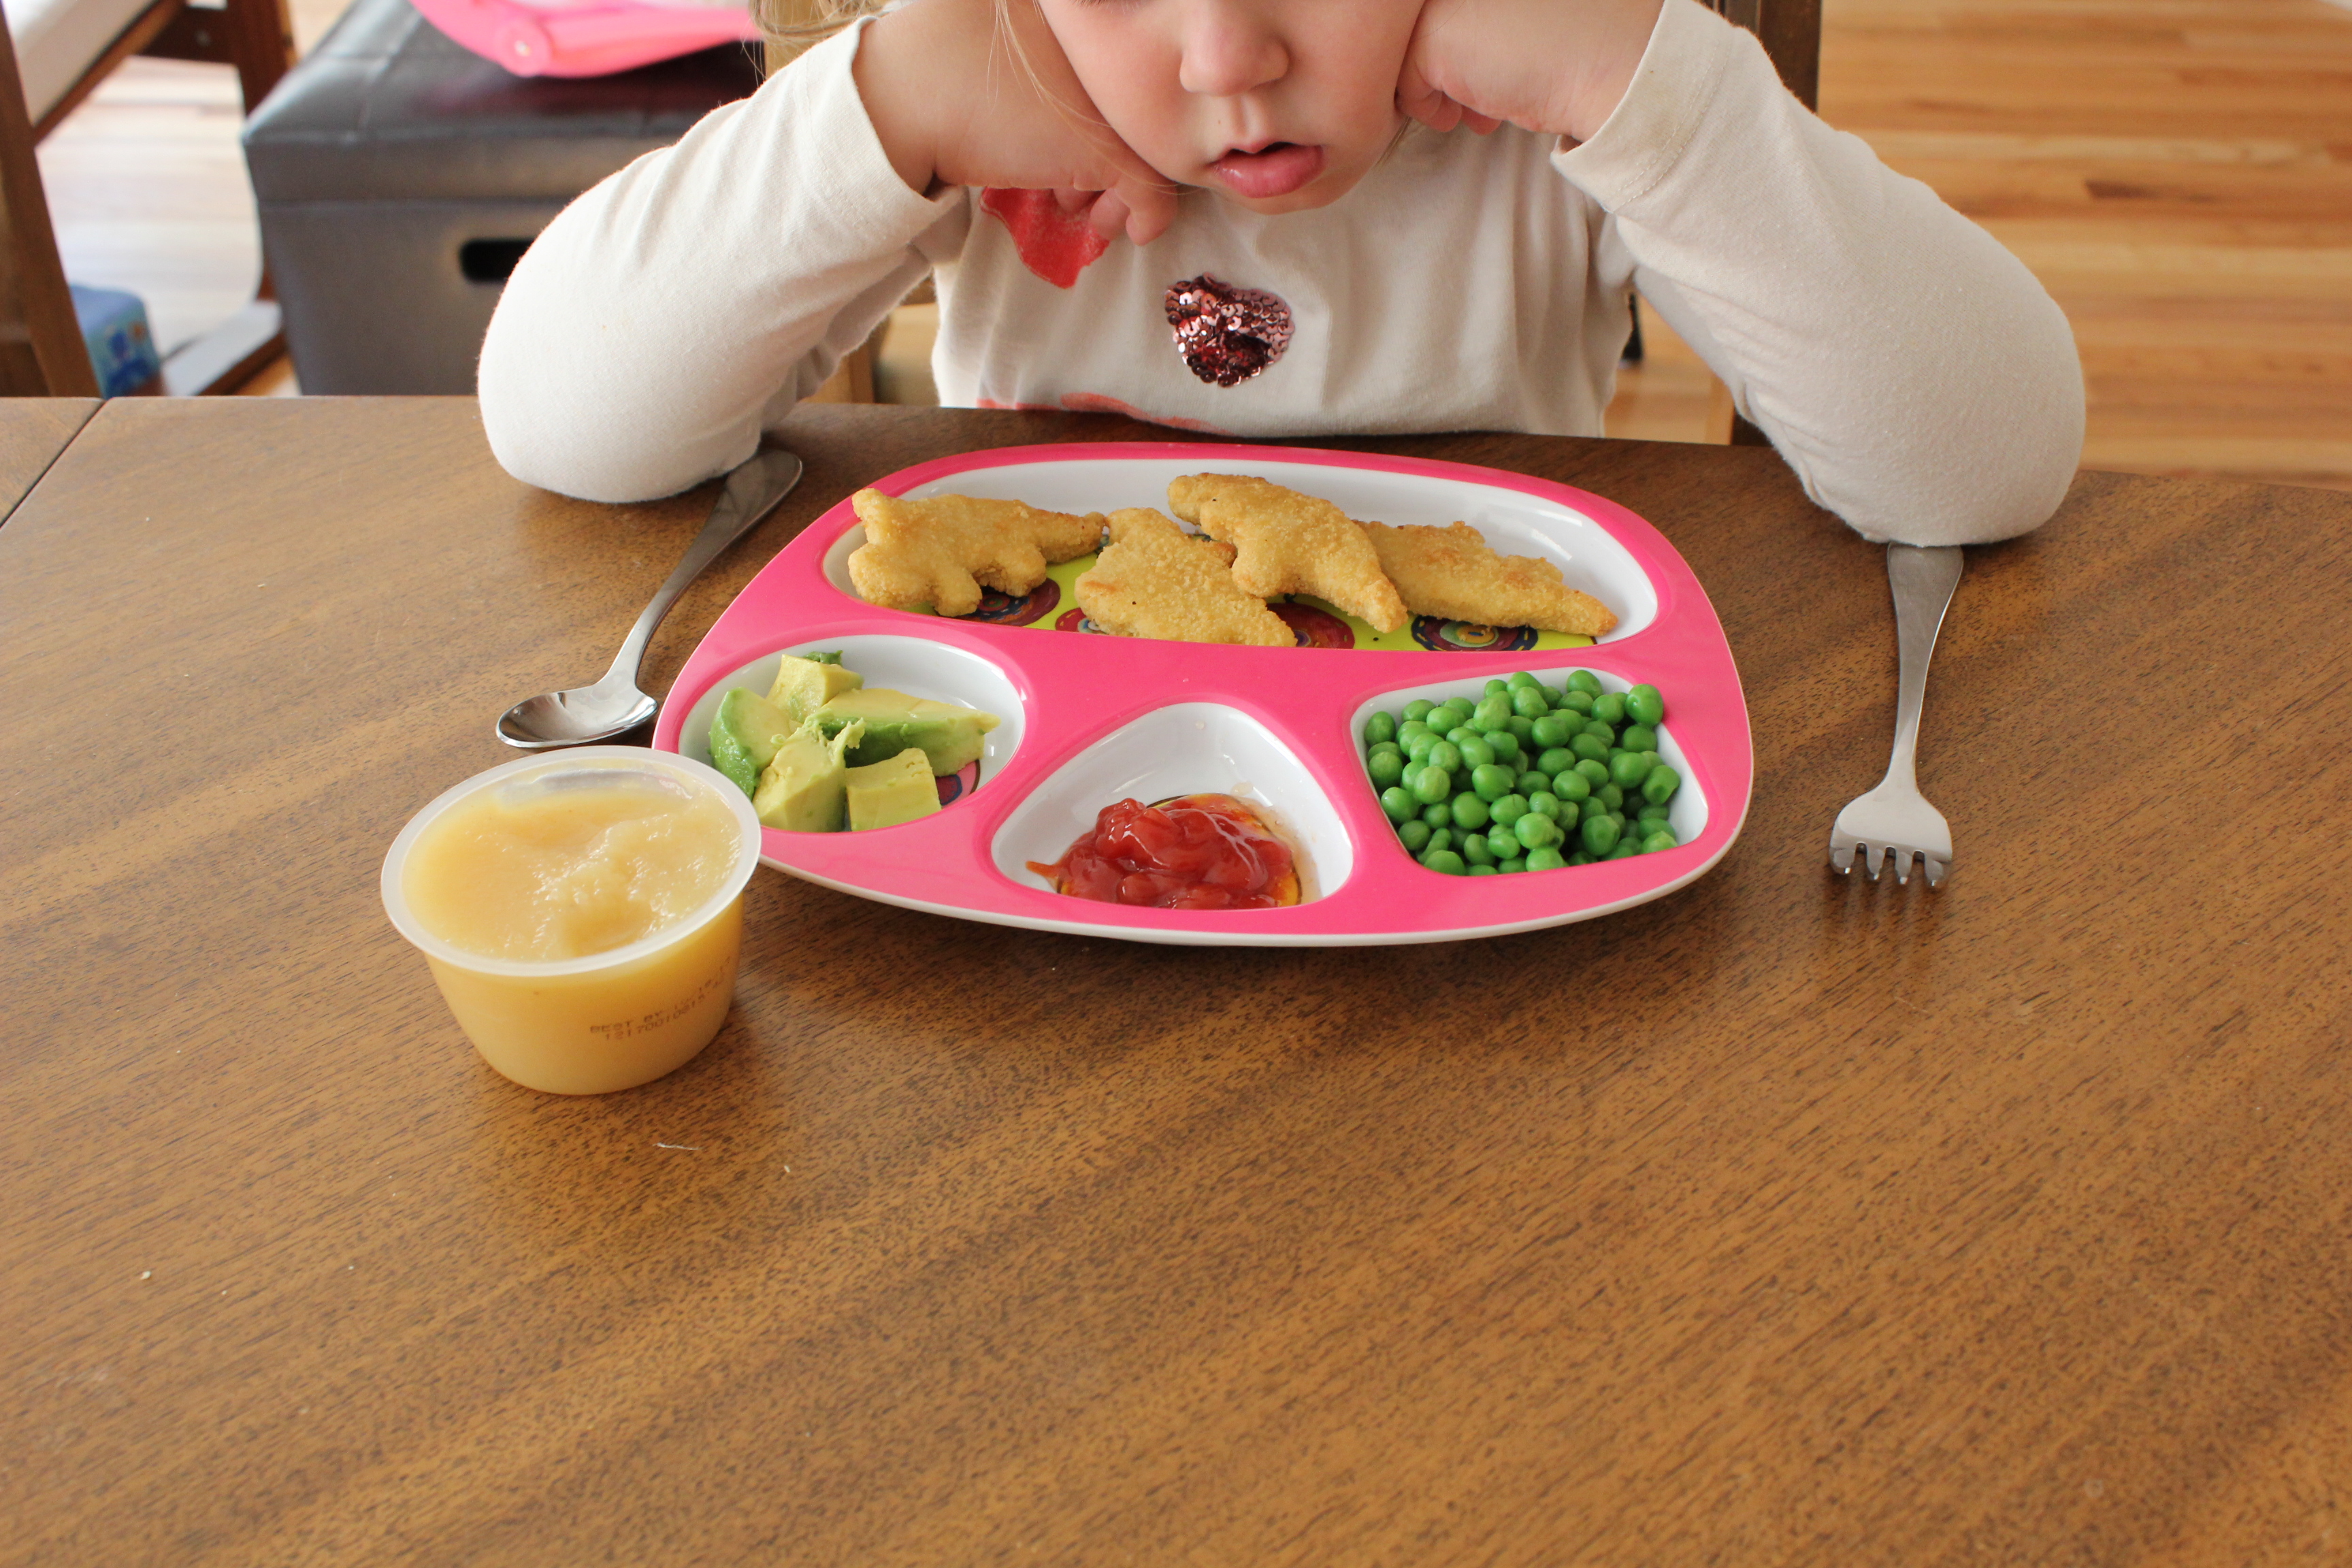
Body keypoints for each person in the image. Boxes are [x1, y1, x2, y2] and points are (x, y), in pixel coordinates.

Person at [478, 0, 2084, 546]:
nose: (1229, 57)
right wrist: (882, 110)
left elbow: (1987, 467)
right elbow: (566, 421)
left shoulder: (1537, 123)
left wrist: (1635, 85)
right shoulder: (1000, 99)